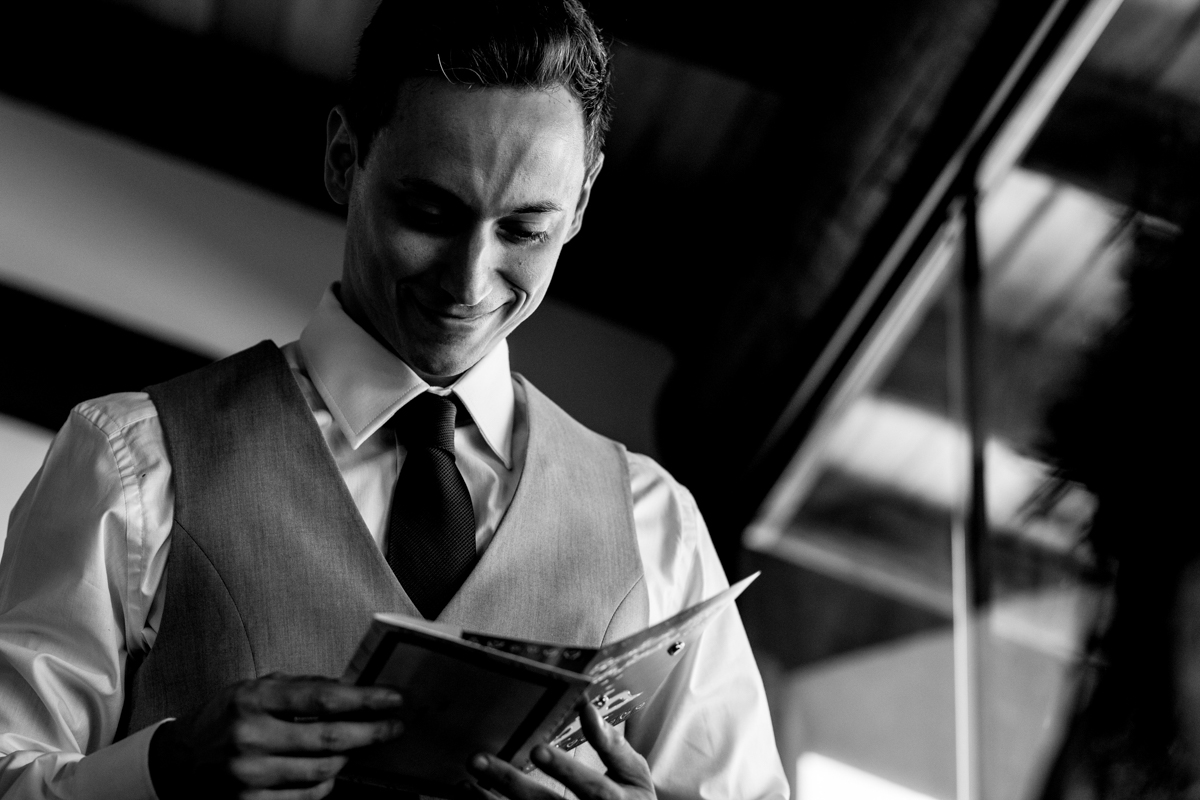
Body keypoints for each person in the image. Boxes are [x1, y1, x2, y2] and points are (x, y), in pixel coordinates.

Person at [0, 1, 789, 799]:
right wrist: (165, 768)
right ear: (345, 158)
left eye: (525, 230)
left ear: (581, 202)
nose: (469, 281)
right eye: (430, 213)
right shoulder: (132, 460)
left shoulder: (657, 524)